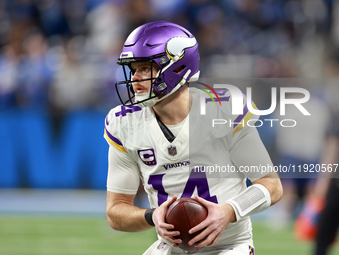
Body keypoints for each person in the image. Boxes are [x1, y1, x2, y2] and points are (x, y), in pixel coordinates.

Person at [104, 21, 283, 255]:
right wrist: (151, 215)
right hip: (171, 246)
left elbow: (272, 186)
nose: (135, 78)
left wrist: (228, 211)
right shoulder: (124, 123)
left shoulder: (223, 110)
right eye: (133, 69)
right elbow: (115, 211)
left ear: (177, 67)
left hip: (229, 245)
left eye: (145, 68)